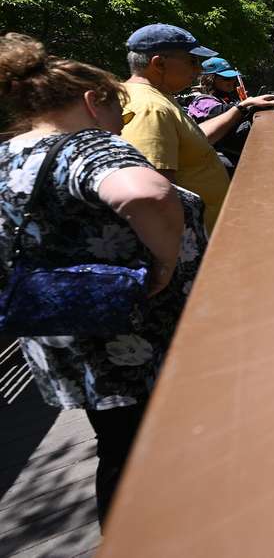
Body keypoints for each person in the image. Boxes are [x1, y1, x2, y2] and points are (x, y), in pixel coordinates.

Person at [0, 33, 208, 527]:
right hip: (133, 334)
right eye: (120, 112)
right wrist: (164, 261)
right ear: (95, 102)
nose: (122, 125)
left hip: (65, 333)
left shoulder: (7, 156)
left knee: (119, 449)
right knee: (163, 446)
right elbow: (147, 194)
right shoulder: (86, 146)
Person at [119, 24, 266, 232]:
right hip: (200, 246)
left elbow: (194, 140)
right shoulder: (150, 109)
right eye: (192, 61)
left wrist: (240, 109)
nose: (198, 70)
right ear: (159, 64)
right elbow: (155, 194)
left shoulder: (156, 98)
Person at [184, 56, 274, 172]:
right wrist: (246, 104)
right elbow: (217, 112)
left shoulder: (224, 96)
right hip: (215, 159)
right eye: (226, 78)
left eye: (233, 77)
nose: (232, 81)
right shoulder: (200, 99)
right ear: (210, 79)